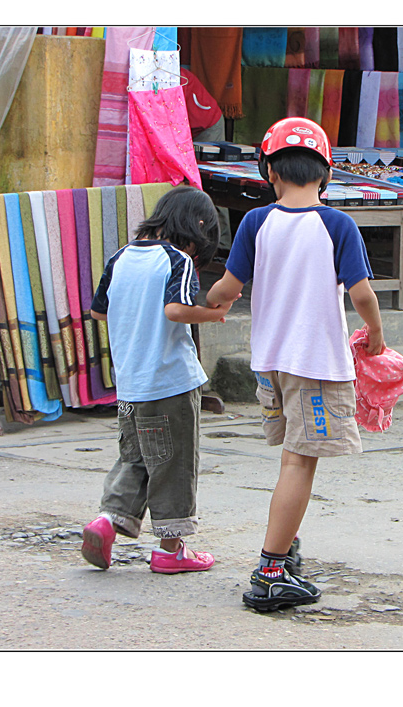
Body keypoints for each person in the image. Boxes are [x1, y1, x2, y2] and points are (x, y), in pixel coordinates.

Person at [206, 117, 386, 612]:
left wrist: (206, 307)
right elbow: (363, 293)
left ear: (269, 171)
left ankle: (283, 555)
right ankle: (270, 570)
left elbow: (226, 288)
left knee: (291, 457)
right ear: (325, 175)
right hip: (314, 365)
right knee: (299, 462)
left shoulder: (255, 222)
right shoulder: (336, 225)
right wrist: (376, 334)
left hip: (270, 367)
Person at [81, 186, 239, 574]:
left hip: (131, 384)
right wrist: (214, 314)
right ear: (198, 226)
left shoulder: (122, 257)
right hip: (170, 382)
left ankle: (107, 520)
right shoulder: (177, 260)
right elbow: (176, 310)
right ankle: (171, 549)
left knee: (135, 458)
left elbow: (99, 313)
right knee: (174, 462)